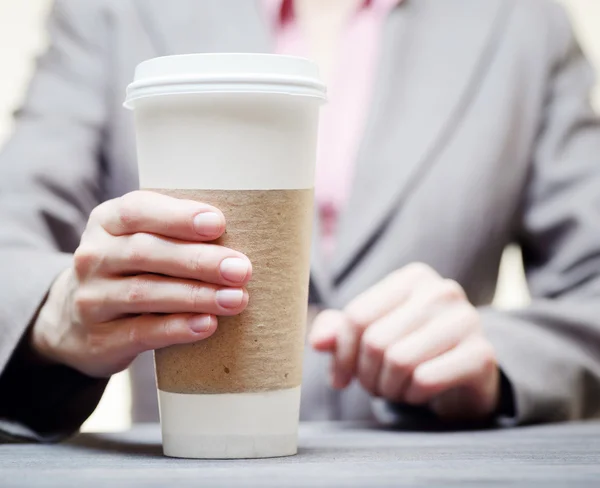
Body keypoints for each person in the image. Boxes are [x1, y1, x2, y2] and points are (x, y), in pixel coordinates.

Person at [1, 0, 600, 442]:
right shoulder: (109, 10)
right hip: (190, 467)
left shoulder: (520, 19)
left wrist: (499, 358)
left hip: (430, 466)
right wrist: (53, 312)